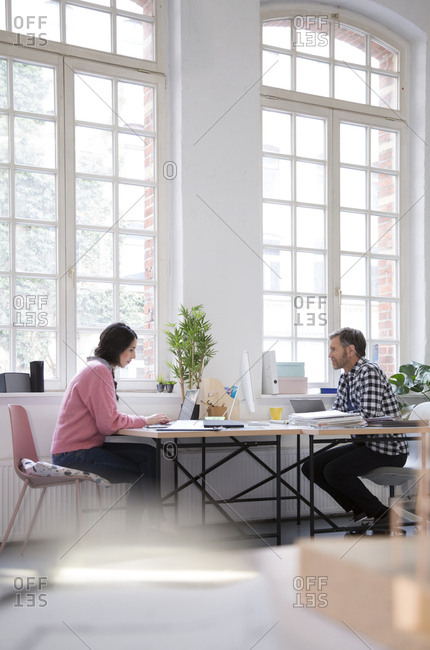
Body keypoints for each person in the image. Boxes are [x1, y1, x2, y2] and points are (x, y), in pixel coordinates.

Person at [51, 322, 171, 531]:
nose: (133, 356)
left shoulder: (97, 369)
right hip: (73, 453)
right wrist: (146, 420)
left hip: (82, 448)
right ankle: (153, 526)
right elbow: (108, 424)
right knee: (145, 468)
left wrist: (144, 420)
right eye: (131, 349)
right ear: (118, 348)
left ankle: (146, 528)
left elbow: (109, 418)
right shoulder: (98, 371)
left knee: (149, 455)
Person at [301, 327, 408, 529]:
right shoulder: (346, 377)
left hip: (387, 447)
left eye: (333, 349)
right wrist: (316, 419)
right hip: (365, 443)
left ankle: (381, 513)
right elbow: (339, 411)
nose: (329, 354)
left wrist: (336, 418)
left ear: (350, 350)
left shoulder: (369, 372)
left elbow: (367, 416)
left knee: (334, 471)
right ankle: (362, 509)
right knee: (311, 467)